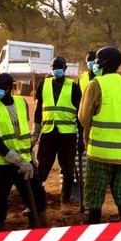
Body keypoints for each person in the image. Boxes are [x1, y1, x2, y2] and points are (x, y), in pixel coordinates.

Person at [77, 46, 121, 241]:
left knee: (94, 200)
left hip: (100, 153)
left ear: (101, 64)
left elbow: (84, 117)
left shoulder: (96, 84)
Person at [0, 72, 48, 232]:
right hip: (2, 162)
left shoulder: (21, 103)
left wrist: (30, 158)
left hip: (25, 161)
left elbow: (22, 131)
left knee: (36, 195)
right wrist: (16, 160)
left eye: (0, 87)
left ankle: (40, 227)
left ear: (10, 88)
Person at [33, 56, 82, 204]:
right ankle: (36, 202)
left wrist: (82, 139)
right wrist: (36, 131)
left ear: (65, 69)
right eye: (54, 67)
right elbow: (38, 110)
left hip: (68, 135)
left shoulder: (73, 87)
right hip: (48, 133)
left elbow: (79, 115)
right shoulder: (43, 85)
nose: (56, 70)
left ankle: (65, 202)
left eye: (59, 67)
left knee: (68, 171)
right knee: (41, 168)